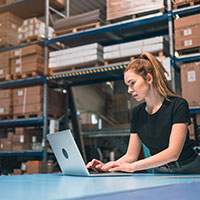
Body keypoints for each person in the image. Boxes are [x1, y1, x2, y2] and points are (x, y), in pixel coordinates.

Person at [87, 52, 200, 174]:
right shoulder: (137, 113)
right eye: (127, 85)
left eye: (132, 83)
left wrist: (133, 167)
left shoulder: (178, 105)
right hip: (160, 171)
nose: (129, 90)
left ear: (149, 79)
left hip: (189, 169)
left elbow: (173, 153)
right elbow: (131, 155)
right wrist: (106, 167)